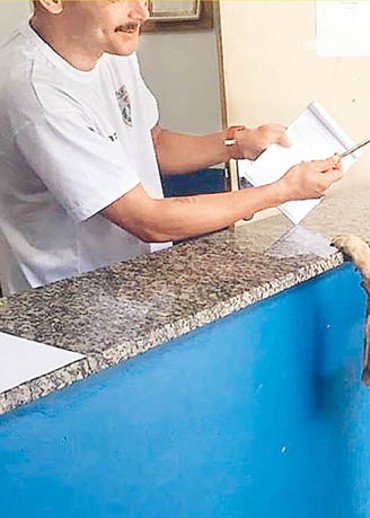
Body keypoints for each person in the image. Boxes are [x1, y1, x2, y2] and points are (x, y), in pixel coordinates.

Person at [0, 0, 344, 296]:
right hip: (68, 300)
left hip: (135, 281)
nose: (142, 13)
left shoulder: (111, 45)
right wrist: (283, 190)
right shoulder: (35, 91)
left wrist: (237, 144)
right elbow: (148, 220)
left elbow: (153, 143)